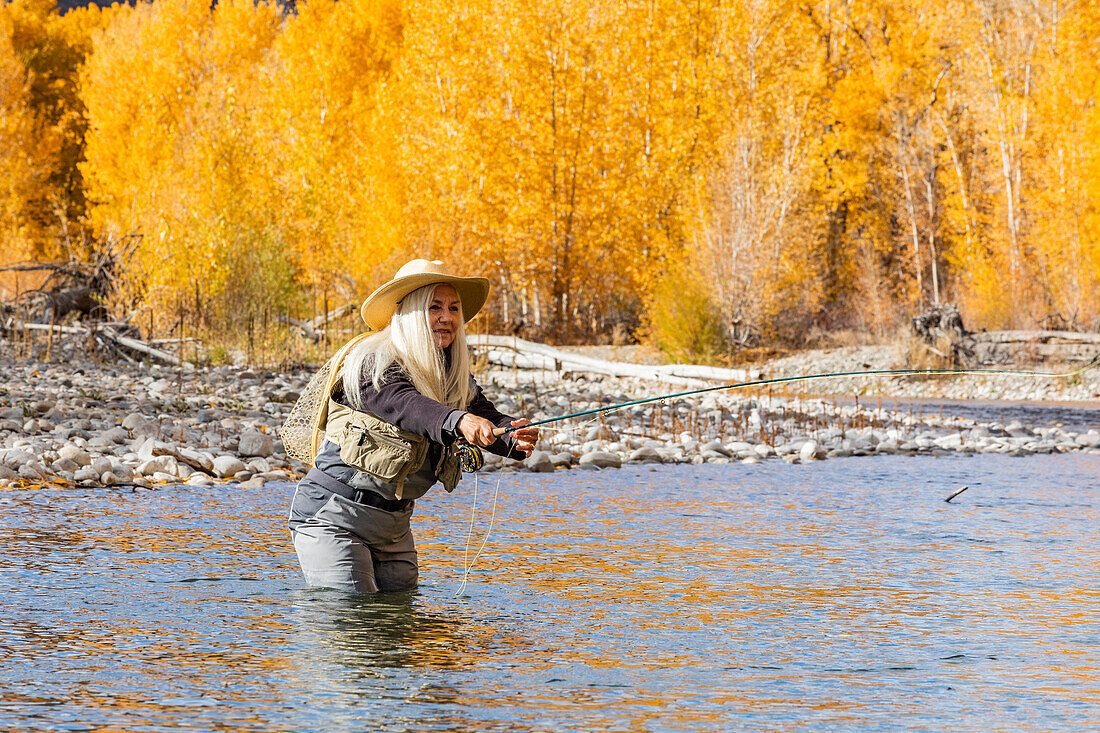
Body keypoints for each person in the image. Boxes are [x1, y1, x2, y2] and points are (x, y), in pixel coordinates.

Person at [288, 259, 539, 593]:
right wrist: (459, 420)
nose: (447, 317)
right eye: (434, 307)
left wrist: (513, 435)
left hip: (394, 527)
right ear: (408, 312)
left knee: (399, 622)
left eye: (453, 308)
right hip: (332, 517)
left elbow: (485, 416)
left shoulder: (451, 374)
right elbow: (408, 406)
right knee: (353, 617)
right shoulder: (370, 363)